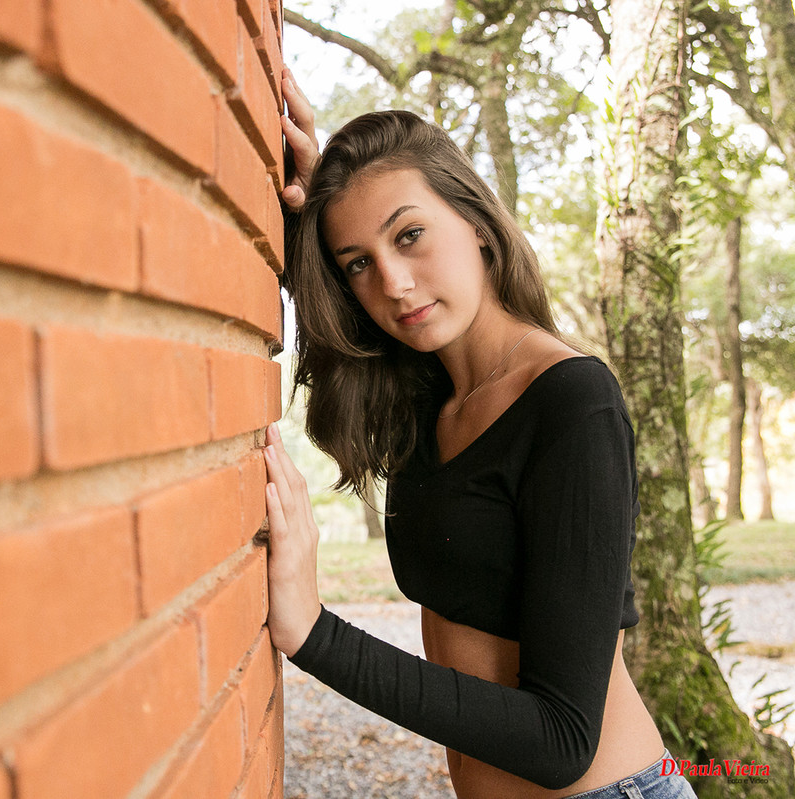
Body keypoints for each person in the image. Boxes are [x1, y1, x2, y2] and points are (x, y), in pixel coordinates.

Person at [263, 68, 699, 799]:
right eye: (360, 264)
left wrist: (314, 631)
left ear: (477, 223)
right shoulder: (426, 398)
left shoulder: (572, 402)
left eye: (410, 234)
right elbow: (337, 336)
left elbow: (561, 739)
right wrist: (319, 222)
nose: (394, 283)